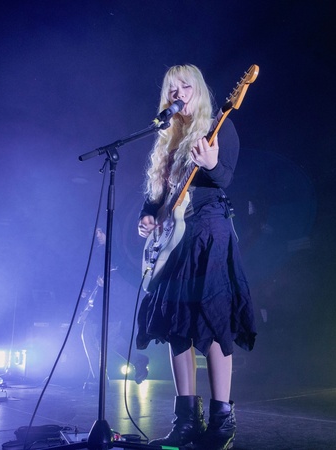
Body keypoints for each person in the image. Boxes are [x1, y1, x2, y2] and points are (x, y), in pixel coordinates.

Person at [136, 64, 256, 450]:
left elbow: (224, 179)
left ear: (199, 90)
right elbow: (158, 194)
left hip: (208, 230)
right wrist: (148, 215)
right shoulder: (167, 136)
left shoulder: (219, 126)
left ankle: (222, 419)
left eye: (185, 87)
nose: (179, 94)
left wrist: (211, 164)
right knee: (176, 324)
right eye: (172, 89)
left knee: (214, 318)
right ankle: (186, 420)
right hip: (174, 238)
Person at [79, 228, 149, 388]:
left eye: (100, 231)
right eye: (95, 232)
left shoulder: (119, 250)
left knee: (106, 338)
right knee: (91, 336)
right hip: (99, 304)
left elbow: (129, 276)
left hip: (115, 304)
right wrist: (89, 289)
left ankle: (99, 379)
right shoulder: (97, 251)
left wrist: (110, 283)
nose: (97, 235)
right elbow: (96, 275)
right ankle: (99, 378)